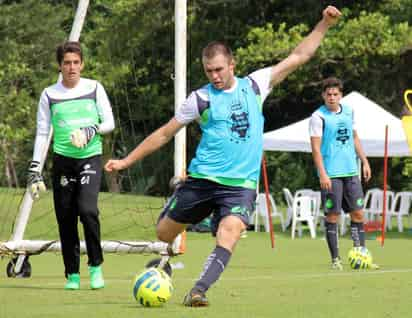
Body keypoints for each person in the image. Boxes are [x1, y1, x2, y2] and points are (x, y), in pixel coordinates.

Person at [105, 6, 341, 306]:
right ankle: (189, 207)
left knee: (230, 232)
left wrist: (324, 24)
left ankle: (199, 290)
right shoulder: (200, 99)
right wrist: (126, 161)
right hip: (202, 179)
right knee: (163, 234)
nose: (214, 76)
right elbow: (165, 133)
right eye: (209, 71)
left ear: (232, 64)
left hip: (240, 184)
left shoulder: (255, 85)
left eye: (219, 69)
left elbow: (298, 57)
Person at [27, 41, 115, 290]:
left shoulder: (94, 88)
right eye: (67, 63)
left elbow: (109, 122)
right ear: (60, 66)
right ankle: (73, 274)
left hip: (89, 158)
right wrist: (35, 168)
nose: (72, 67)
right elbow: (43, 133)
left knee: (87, 211)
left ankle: (96, 266)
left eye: (76, 62)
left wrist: (91, 129)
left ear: (82, 64)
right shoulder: (49, 94)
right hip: (63, 162)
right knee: (66, 218)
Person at [309, 77, 378, 270]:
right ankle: (336, 260)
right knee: (333, 216)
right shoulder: (318, 117)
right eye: (328, 94)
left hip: (351, 172)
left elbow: (354, 137)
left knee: (358, 213)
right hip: (331, 174)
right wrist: (322, 174)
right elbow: (315, 149)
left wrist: (364, 161)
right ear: (323, 95)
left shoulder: (349, 112)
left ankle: (361, 255)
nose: (332, 97)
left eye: (335, 94)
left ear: (341, 95)